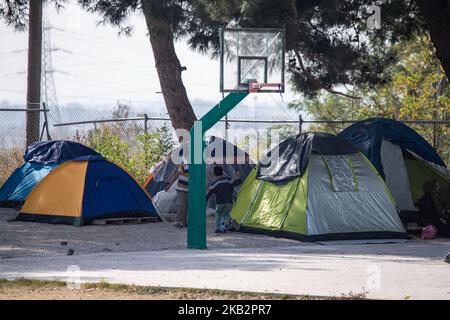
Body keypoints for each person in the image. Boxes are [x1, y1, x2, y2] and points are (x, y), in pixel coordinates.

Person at [206, 166, 242, 233]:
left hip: (219, 203)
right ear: (222, 172)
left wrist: (206, 199)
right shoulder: (229, 180)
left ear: (214, 174)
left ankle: (217, 228)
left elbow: (209, 192)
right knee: (226, 215)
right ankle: (224, 227)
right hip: (229, 202)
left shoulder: (215, 183)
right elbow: (237, 182)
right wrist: (238, 177)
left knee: (218, 213)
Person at [167, 163, 189, 228]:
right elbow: (176, 175)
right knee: (182, 204)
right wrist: (169, 185)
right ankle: (177, 221)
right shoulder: (184, 166)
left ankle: (184, 222)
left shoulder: (196, 166)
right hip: (181, 188)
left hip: (189, 188)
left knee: (187, 205)